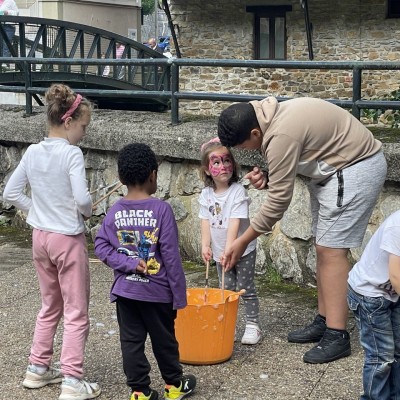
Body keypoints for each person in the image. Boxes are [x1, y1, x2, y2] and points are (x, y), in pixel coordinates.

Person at [217, 96, 387, 364]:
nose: (245, 152)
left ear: (254, 132)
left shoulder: (281, 133)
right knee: (324, 246)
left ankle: (337, 334)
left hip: (354, 168)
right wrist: (270, 177)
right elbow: (292, 161)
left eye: (243, 146)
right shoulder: (267, 117)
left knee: (331, 251)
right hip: (335, 171)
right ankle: (325, 319)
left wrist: (242, 241)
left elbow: (279, 202)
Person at [3, 83, 101, 399]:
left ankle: (38, 368)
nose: (84, 133)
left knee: (50, 305)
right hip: (66, 239)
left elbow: (10, 193)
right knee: (76, 310)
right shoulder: (72, 154)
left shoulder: (32, 151)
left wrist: (39, 210)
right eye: (83, 126)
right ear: (69, 122)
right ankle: (72, 380)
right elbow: (83, 201)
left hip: (40, 239)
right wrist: (85, 213)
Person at [94, 143, 196, 400]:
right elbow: (171, 258)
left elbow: (100, 245)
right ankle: (174, 386)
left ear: (120, 178)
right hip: (157, 293)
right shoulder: (162, 210)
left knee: (131, 343)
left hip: (126, 292)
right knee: (165, 341)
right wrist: (179, 296)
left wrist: (127, 264)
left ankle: (139, 391)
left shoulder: (115, 211)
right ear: (153, 175)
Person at [198, 137, 261, 345]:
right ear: (207, 170)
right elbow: (205, 221)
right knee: (226, 288)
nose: (223, 166)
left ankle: (252, 324)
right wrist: (205, 245)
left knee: (245, 286)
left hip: (241, 250)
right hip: (219, 251)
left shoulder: (237, 191)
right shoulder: (206, 195)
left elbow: (235, 223)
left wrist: (229, 250)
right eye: (216, 162)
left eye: (227, 161)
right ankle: (230, 323)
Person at [347, 210, 400, 400]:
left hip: (392, 294)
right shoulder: (397, 225)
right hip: (369, 294)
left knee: (397, 351)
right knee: (381, 357)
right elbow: (395, 276)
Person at [0, 0, 19, 65]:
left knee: (6, 45)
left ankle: (5, 64)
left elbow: (16, 13)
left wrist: (7, 12)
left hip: (8, 26)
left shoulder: (10, 1)